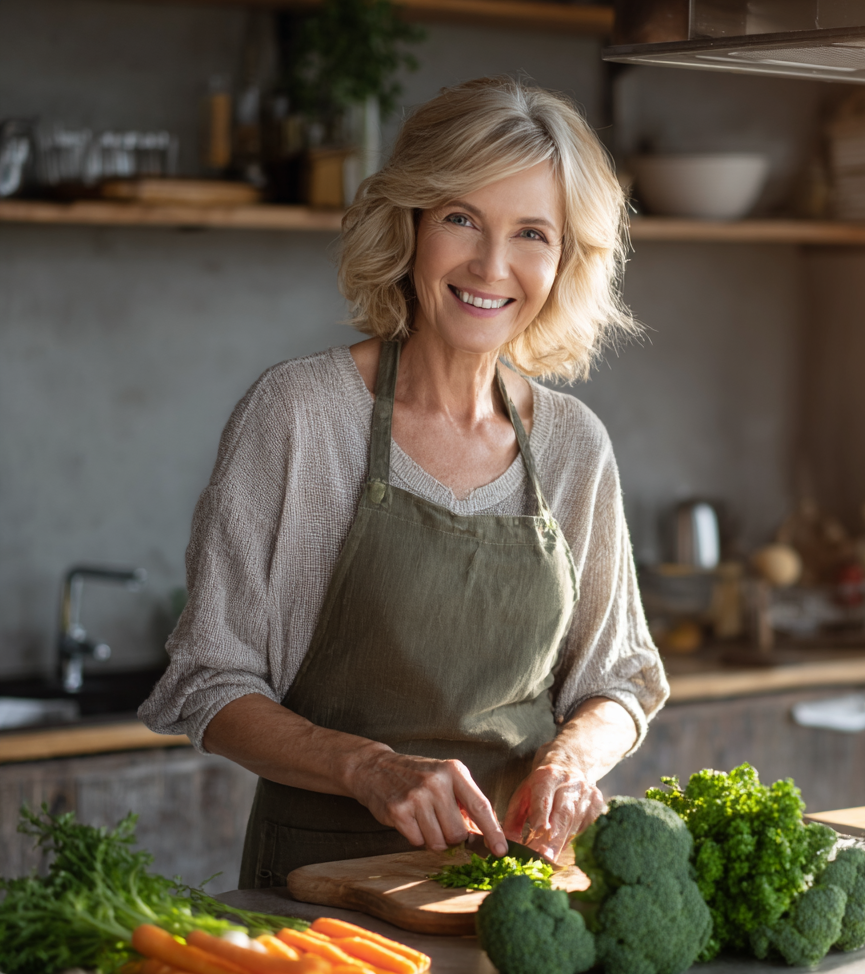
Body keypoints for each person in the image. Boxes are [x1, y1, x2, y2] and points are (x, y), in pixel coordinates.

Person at [140, 77, 668, 888]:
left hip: (517, 892)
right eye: (462, 219)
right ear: (412, 224)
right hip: (320, 898)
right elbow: (210, 682)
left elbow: (618, 681)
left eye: (532, 233)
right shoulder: (299, 415)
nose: (492, 265)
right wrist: (368, 768)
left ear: (564, 260)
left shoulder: (574, 446)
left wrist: (571, 760)